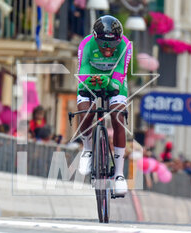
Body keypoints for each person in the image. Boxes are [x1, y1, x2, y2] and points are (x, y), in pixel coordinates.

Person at [76, 15, 132, 195]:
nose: (108, 50)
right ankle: (87, 149)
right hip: (90, 78)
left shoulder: (125, 45)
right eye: (103, 45)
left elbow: (120, 73)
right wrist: (88, 83)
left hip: (114, 79)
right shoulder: (86, 44)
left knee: (118, 117)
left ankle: (118, 174)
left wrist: (108, 81)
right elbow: (82, 70)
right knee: (85, 111)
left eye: (113, 46)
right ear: (95, 38)